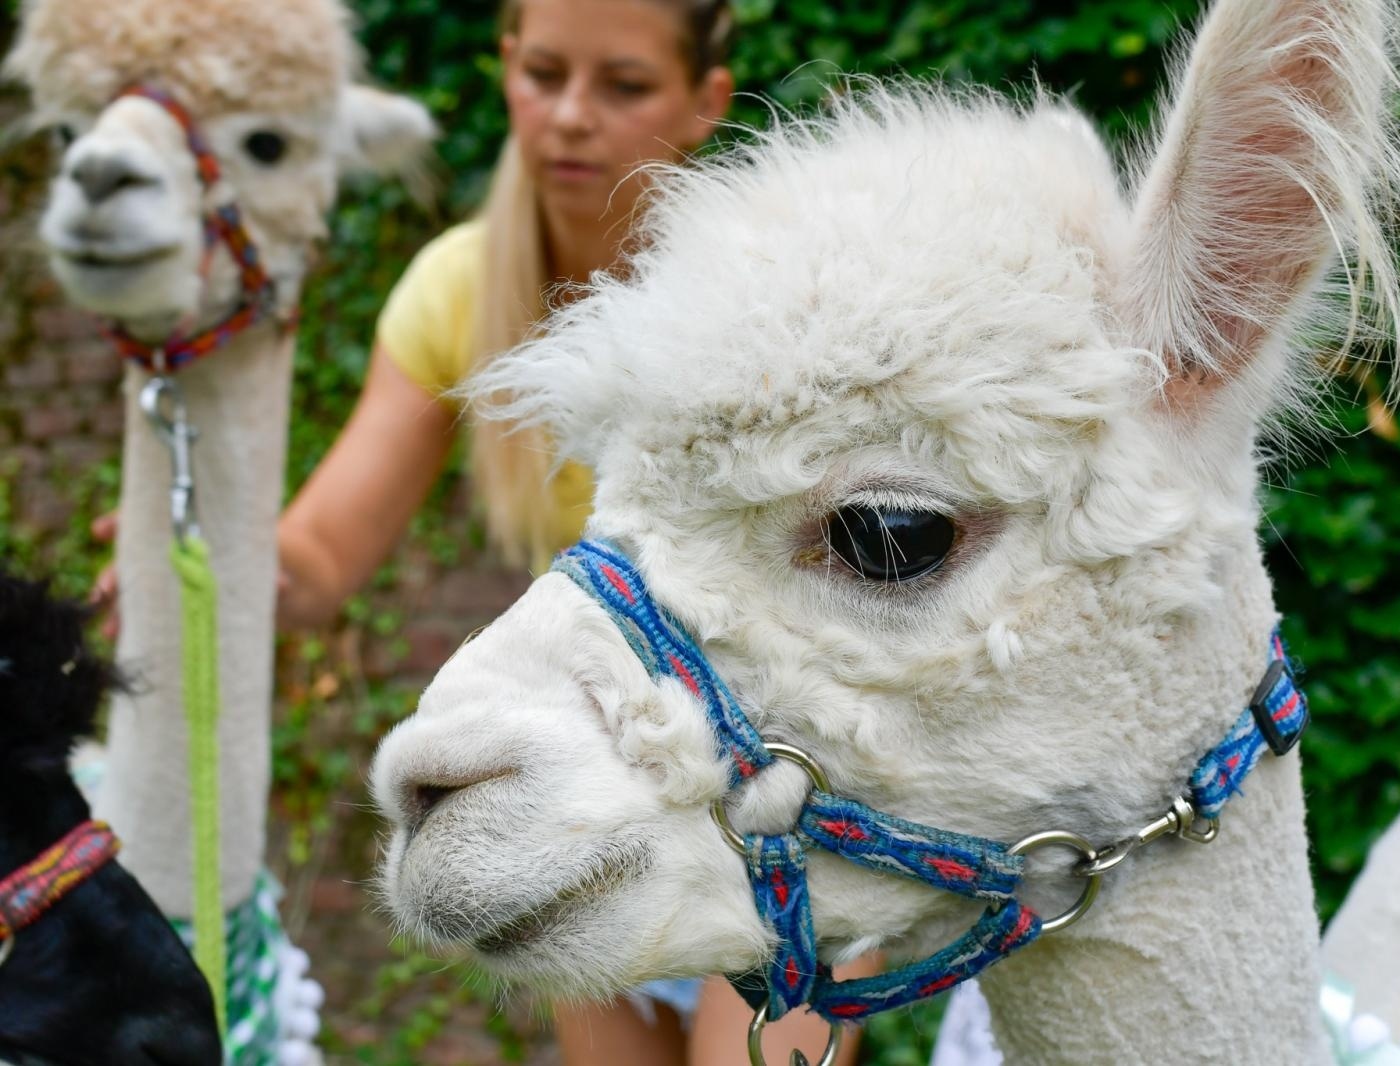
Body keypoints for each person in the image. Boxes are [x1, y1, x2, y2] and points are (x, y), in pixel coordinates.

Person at [94, 0, 871, 1062]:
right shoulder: (461, 290)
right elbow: (317, 564)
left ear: (707, 101)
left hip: (778, 786)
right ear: (504, 67)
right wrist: (193, 550)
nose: (569, 116)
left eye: (624, 84)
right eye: (542, 72)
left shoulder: (785, 288)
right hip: (597, 783)